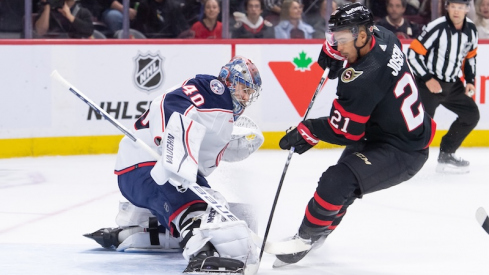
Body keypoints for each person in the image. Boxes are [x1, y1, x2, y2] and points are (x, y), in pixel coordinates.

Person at [273, 3, 436, 267]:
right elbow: (354, 60)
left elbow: (344, 131)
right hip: (388, 129)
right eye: (335, 38)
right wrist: (335, 52)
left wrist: (308, 130)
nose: (338, 45)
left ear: (362, 36)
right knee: (342, 185)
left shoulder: (363, 79)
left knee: (336, 181)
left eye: (343, 40)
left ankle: (305, 239)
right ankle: (321, 231)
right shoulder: (384, 34)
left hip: (403, 150)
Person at [84, 56, 264, 273]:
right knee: (201, 209)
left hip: (141, 172)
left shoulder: (219, 110)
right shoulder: (214, 90)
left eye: (250, 93)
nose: (245, 97)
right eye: (244, 89)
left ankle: (141, 228)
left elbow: (201, 148)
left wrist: (232, 145)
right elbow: (166, 103)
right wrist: (170, 146)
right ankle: (203, 256)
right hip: (147, 166)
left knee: (218, 207)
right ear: (228, 80)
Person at [407, 0, 479, 173]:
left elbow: (470, 57)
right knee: (421, 125)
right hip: (428, 85)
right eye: (453, 6)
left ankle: (447, 153)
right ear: (447, 8)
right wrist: (427, 78)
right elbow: (413, 53)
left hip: (452, 85)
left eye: (460, 7)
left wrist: (470, 81)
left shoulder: (471, 30)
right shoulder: (436, 27)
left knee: (471, 115)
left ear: (467, 9)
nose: (456, 11)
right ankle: (406, 158)